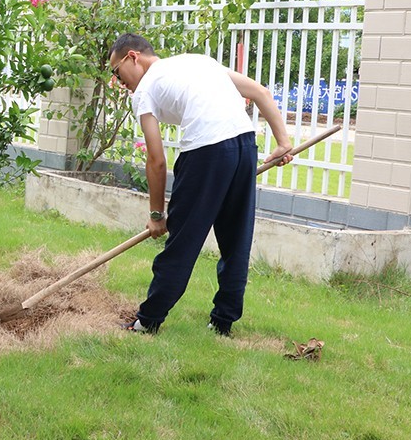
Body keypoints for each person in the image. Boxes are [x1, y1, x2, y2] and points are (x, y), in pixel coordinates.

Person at [107, 33, 294, 336]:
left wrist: (157, 215)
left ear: (132, 57)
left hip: (207, 151)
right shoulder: (196, 62)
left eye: (117, 72)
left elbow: (156, 160)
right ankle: (222, 323)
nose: (119, 81)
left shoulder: (145, 90)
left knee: (182, 242)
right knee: (236, 241)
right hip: (244, 145)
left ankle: (148, 320)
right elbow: (260, 92)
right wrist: (283, 142)